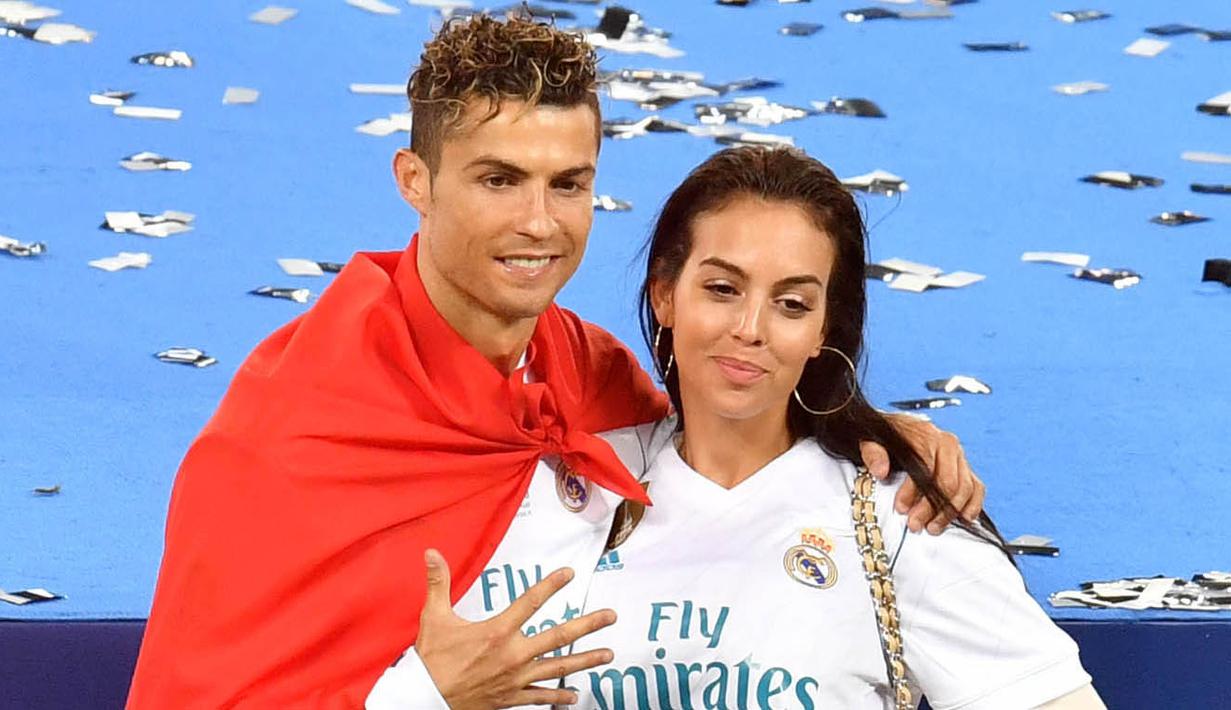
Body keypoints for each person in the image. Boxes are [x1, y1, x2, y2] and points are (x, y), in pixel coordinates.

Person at [127, 15, 985, 709]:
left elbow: (724, 428)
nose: (541, 223)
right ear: (414, 181)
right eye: (499, 180)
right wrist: (429, 694)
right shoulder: (287, 431)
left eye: (568, 183)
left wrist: (861, 430)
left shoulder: (578, 366)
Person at [550, 146, 1106, 709]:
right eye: (723, 289)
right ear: (665, 294)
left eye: (791, 304)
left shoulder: (901, 515)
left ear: (823, 331)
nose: (750, 328)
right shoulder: (578, 490)